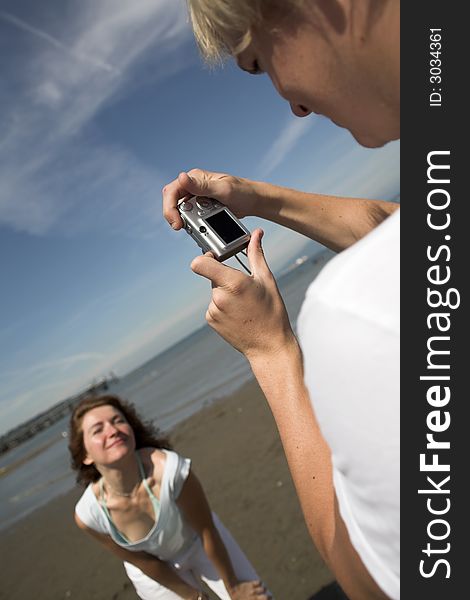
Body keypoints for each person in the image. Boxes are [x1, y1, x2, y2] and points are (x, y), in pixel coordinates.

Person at [162, 1, 400, 599]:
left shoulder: (358, 312)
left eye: (260, 61)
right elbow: (394, 226)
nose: (290, 101)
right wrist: (251, 195)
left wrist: (271, 352)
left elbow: (367, 578)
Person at [69, 394, 270, 600]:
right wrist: (195, 597)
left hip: (200, 542)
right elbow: (144, 562)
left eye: (118, 420)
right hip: (154, 573)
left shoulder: (171, 471)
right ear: (86, 455)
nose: (112, 431)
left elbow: (207, 531)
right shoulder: (89, 516)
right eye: (98, 430)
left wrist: (234, 587)